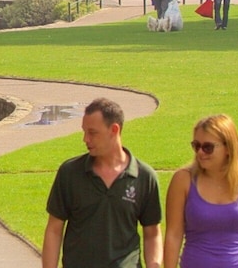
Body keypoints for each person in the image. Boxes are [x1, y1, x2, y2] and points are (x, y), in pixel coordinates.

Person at [42, 98, 163, 268]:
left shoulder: (144, 177)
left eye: (92, 133)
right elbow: (54, 229)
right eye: (84, 132)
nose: (85, 139)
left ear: (114, 130)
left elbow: (152, 233)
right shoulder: (70, 173)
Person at [163, 114, 238, 268]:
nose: (200, 152)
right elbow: (173, 236)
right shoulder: (183, 180)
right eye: (196, 146)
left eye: (208, 147)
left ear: (228, 148)